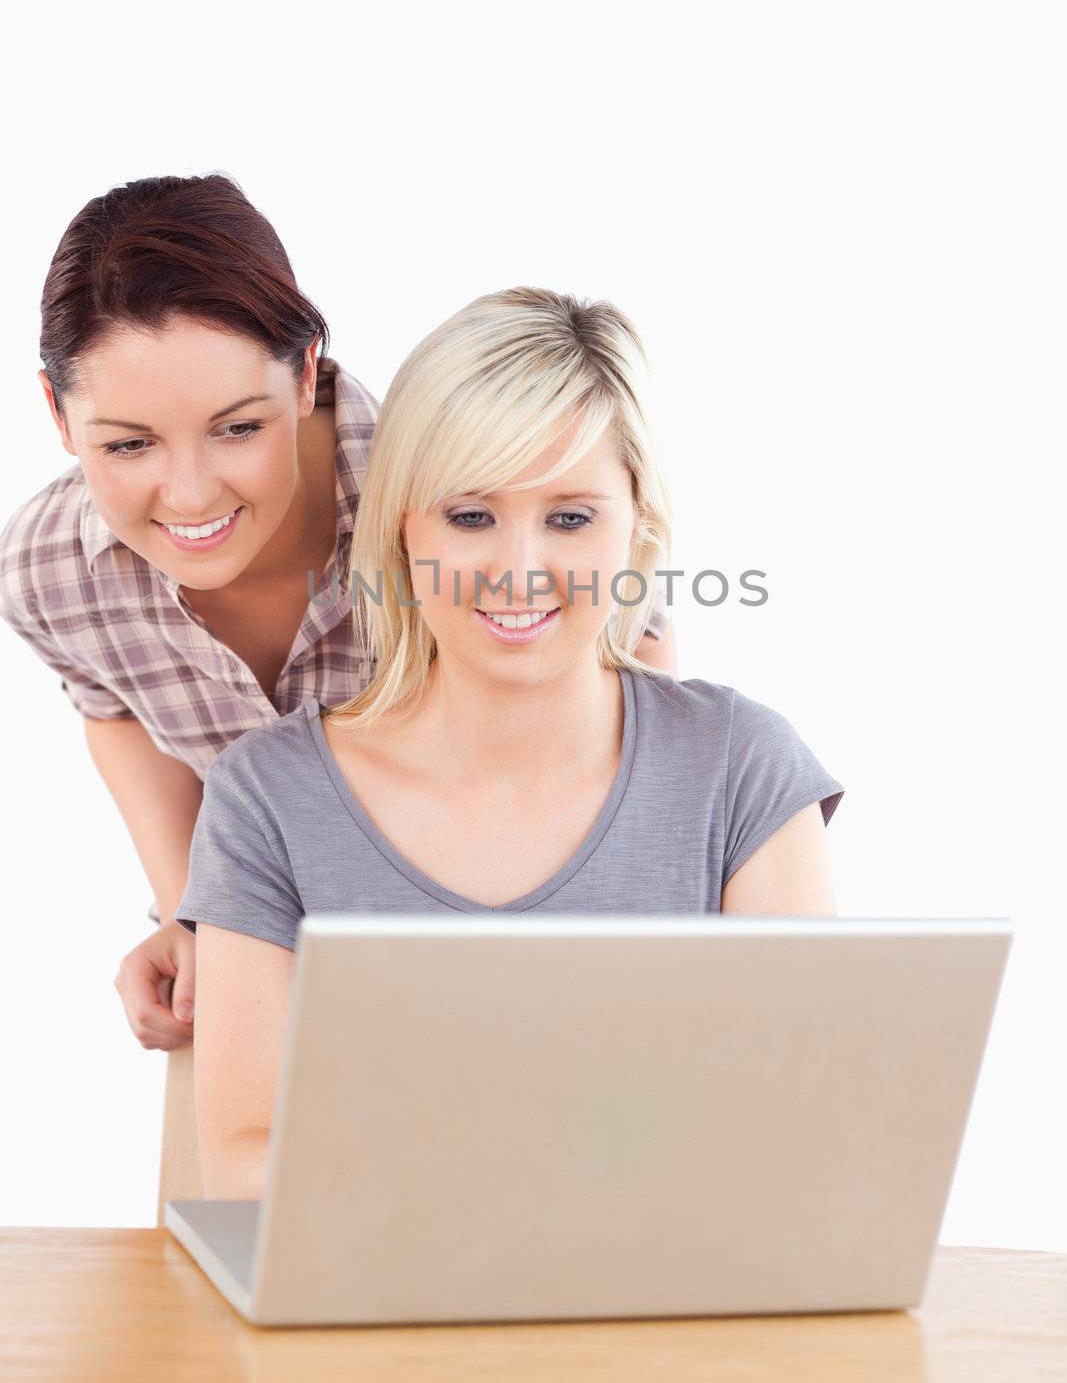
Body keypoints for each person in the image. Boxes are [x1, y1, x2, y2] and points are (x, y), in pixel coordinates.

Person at [0, 179, 675, 1205]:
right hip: (260, 1012)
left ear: (307, 371)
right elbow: (113, 708)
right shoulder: (47, 569)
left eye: (237, 428)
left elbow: (618, 663)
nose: (187, 494)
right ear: (57, 414)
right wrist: (193, 912)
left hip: (514, 995)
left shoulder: (444, 497)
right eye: (127, 444)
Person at [173, 287, 845, 1199]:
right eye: (469, 515)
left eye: (570, 519)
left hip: (672, 1325)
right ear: (401, 530)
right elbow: (243, 1163)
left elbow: (805, 1136)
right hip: (372, 1326)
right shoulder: (267, 796)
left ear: (635, 529)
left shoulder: (740, 767)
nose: (518, 571)